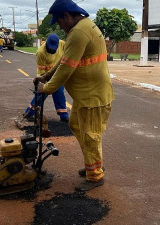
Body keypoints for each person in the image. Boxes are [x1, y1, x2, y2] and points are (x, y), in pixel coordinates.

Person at [34, 0, 114, 191]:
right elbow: (64, 59)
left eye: (60, 22)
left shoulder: (79, 32)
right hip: (86, 96)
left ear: (68, 16)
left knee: (90, 135)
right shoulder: (80, 29)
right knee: (76, 125)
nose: (60, 26)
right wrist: (46, 75)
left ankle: (95, 175)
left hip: (93, 97)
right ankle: (92, 164)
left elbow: (67, 68)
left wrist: (47, 88)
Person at [23, 34, 69, 123]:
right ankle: (28, 113)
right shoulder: (41, 52)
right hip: (45, 76)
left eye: (53, 48)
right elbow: (42, 72)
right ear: (46, 43)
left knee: (59, 93)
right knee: (41, 95)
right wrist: (46, 83)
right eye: (50, 48)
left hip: (58, 75)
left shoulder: (62, 44)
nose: (51, 50)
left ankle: (63, 116)